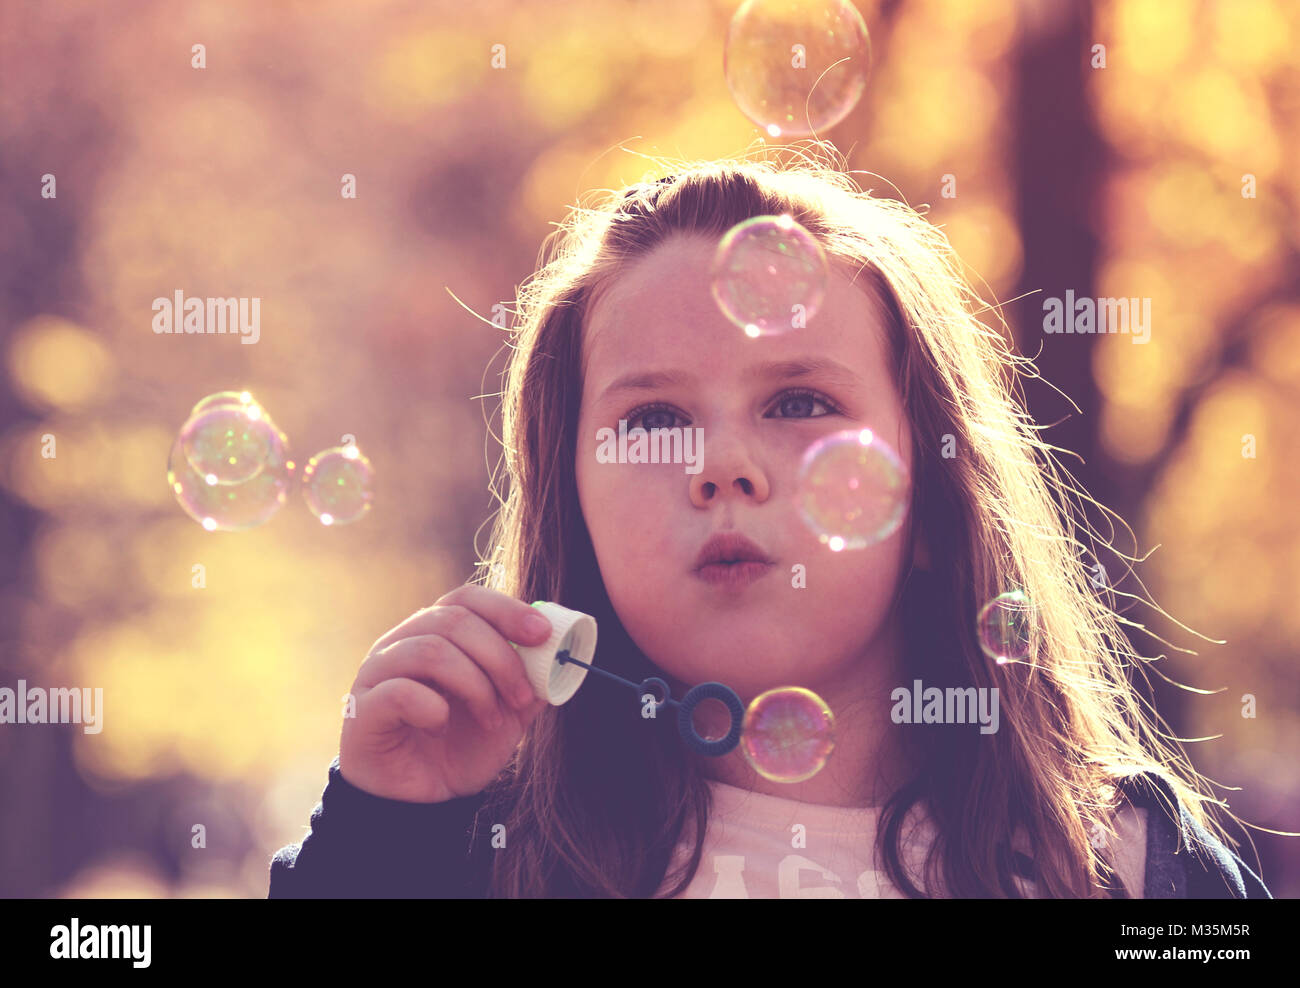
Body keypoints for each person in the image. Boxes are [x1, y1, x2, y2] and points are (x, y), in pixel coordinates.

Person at [269, 148, 1271, 898]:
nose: (721, 468)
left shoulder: (1127, 866)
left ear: (929, 494)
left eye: (796, 404)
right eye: (654, 419)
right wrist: (379, 838)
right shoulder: (472, 852)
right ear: (570, 500)